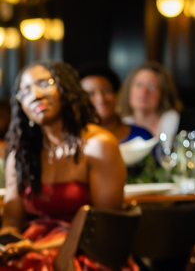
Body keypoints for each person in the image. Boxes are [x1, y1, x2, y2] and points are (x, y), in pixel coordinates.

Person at [0, 60, 126, 269]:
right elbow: (12, 221)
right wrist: (7, 243)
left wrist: (36, 248)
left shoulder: (98, 145)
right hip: (29, 246)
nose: (35, 95)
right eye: (25, 91)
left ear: (66, 87)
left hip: (84, 250)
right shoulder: (21, 154)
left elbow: (106, 227)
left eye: (44, 83)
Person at [79, 63, 153, 143]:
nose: (100, 99)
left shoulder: (142, 137)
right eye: (91, 94)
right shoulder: (77, 141)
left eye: (106, 91)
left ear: (117, 94)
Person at [118, 60, 181, 147]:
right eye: (139, 85)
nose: (144, 92)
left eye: (151, 86)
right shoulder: (120, 124)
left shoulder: (180, 123)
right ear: (129, 90)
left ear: (163, 93)